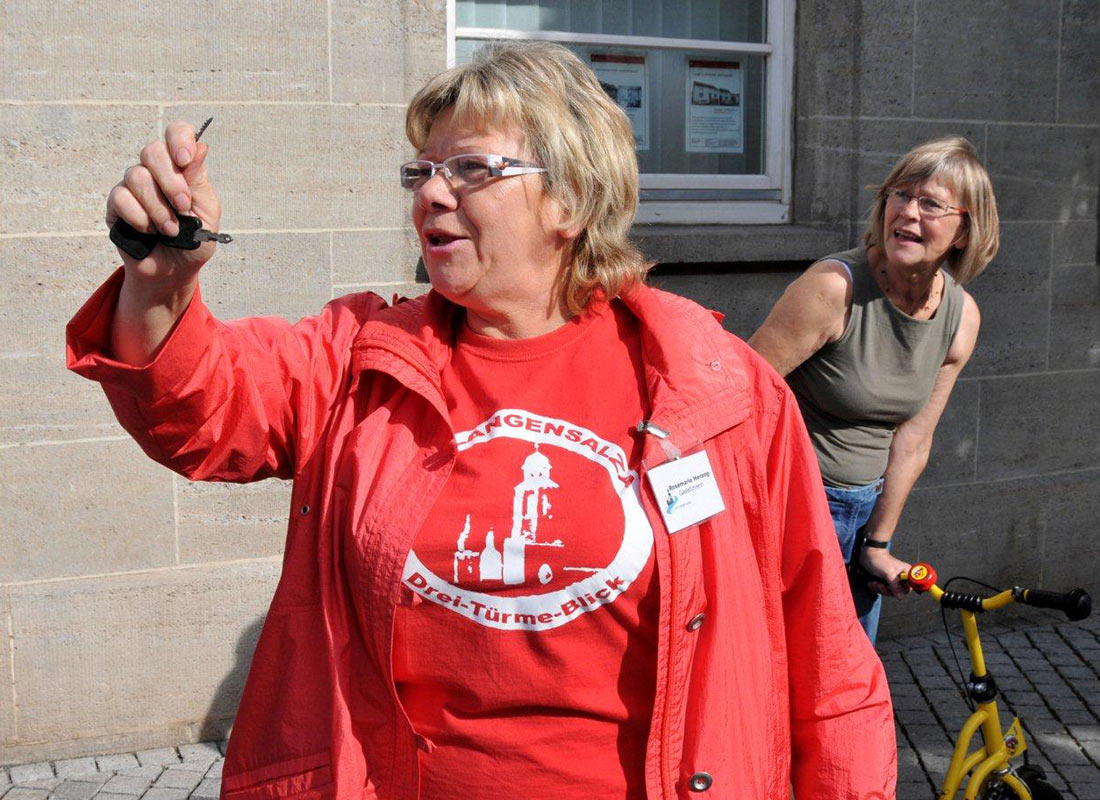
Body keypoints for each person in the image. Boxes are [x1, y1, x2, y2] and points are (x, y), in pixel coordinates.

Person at [68, 42, 895, 800]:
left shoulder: (717, 389)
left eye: (470, 168)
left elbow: (826, 657)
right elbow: (199, 407)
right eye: (421, 171)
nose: (431, 193)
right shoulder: (360, 359)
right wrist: (160, 285)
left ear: (571, 198)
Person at [749, 137, 999, 644]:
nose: (908, 212)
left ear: (964, 231)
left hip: (863, 511)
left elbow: (914, 440)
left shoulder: (961, 318)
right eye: (899, 195)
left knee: (848, 668)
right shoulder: (834, 287)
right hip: (791, 505)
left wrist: (877, 545)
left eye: (930, 203)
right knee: (785, 663)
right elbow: (742, 396)